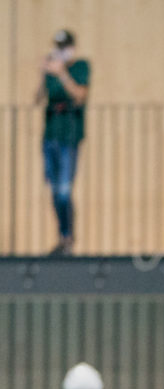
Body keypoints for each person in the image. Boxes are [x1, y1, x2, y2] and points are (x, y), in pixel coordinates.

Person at [34, 29, 91, 256]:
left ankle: (68, 236)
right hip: (51, 135)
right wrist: (43, 73)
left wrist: (62, 74)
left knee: (65, 190)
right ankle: (63, 236)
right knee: (55, 189)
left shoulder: (80, 67)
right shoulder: (51, 70)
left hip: (69, 137)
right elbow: (38, 98)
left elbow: (80, 95)